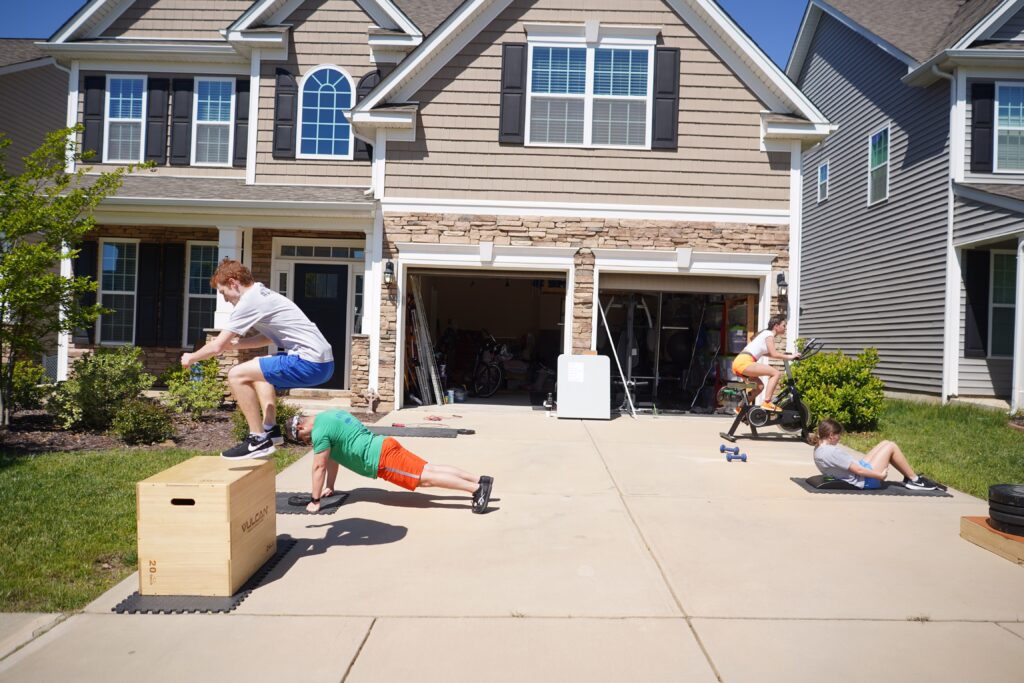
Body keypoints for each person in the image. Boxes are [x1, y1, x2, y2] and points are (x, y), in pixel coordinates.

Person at [181, 259, 334, 460]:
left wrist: (191, 357)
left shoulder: (249, 301)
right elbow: (269, 337)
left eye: (222, 292)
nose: (225, 299)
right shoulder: (263, 294)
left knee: (236, 375)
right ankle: (270, 430)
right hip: (322, 363)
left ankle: (257, 440)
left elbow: (217, 346)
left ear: (233, 282)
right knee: (260, 373)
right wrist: (237, 345)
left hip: (309, 361)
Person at [286, 409, 494, 514]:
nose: (308, 442)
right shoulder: (331, 415)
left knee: (426, 479)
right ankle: (481, 480)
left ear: (301, 428)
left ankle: (476, 490)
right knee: (429, 469)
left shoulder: (319, 432)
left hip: (380, 459)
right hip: (385, 445)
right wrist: (330, 487)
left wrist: (315, 502)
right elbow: (332, 459)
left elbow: (319, 466)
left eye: (303, 439)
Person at [809, 418, 937, 490]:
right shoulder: (831, 452)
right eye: (838, 435)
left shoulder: (819, 447)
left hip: (857, 474)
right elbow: (859, 470)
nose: (840, 438)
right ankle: (915, 480)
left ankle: (910, 477)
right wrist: (879, 476)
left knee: (886, 442)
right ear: (831, 435)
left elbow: (856, 467)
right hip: (866, 480)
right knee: (891, 446)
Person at [731, 314, 799, 412]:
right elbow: (774, 354)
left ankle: (740, 407)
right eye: (784, 325)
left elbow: (768, 354)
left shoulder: (766, 334)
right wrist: (790, 357)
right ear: (776, 326)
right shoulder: (769, 335)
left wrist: (786, 356)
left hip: (740, 362)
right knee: (776, 373)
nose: (785, 328)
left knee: (759, 386)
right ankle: (767, 402)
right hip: (744, 362)